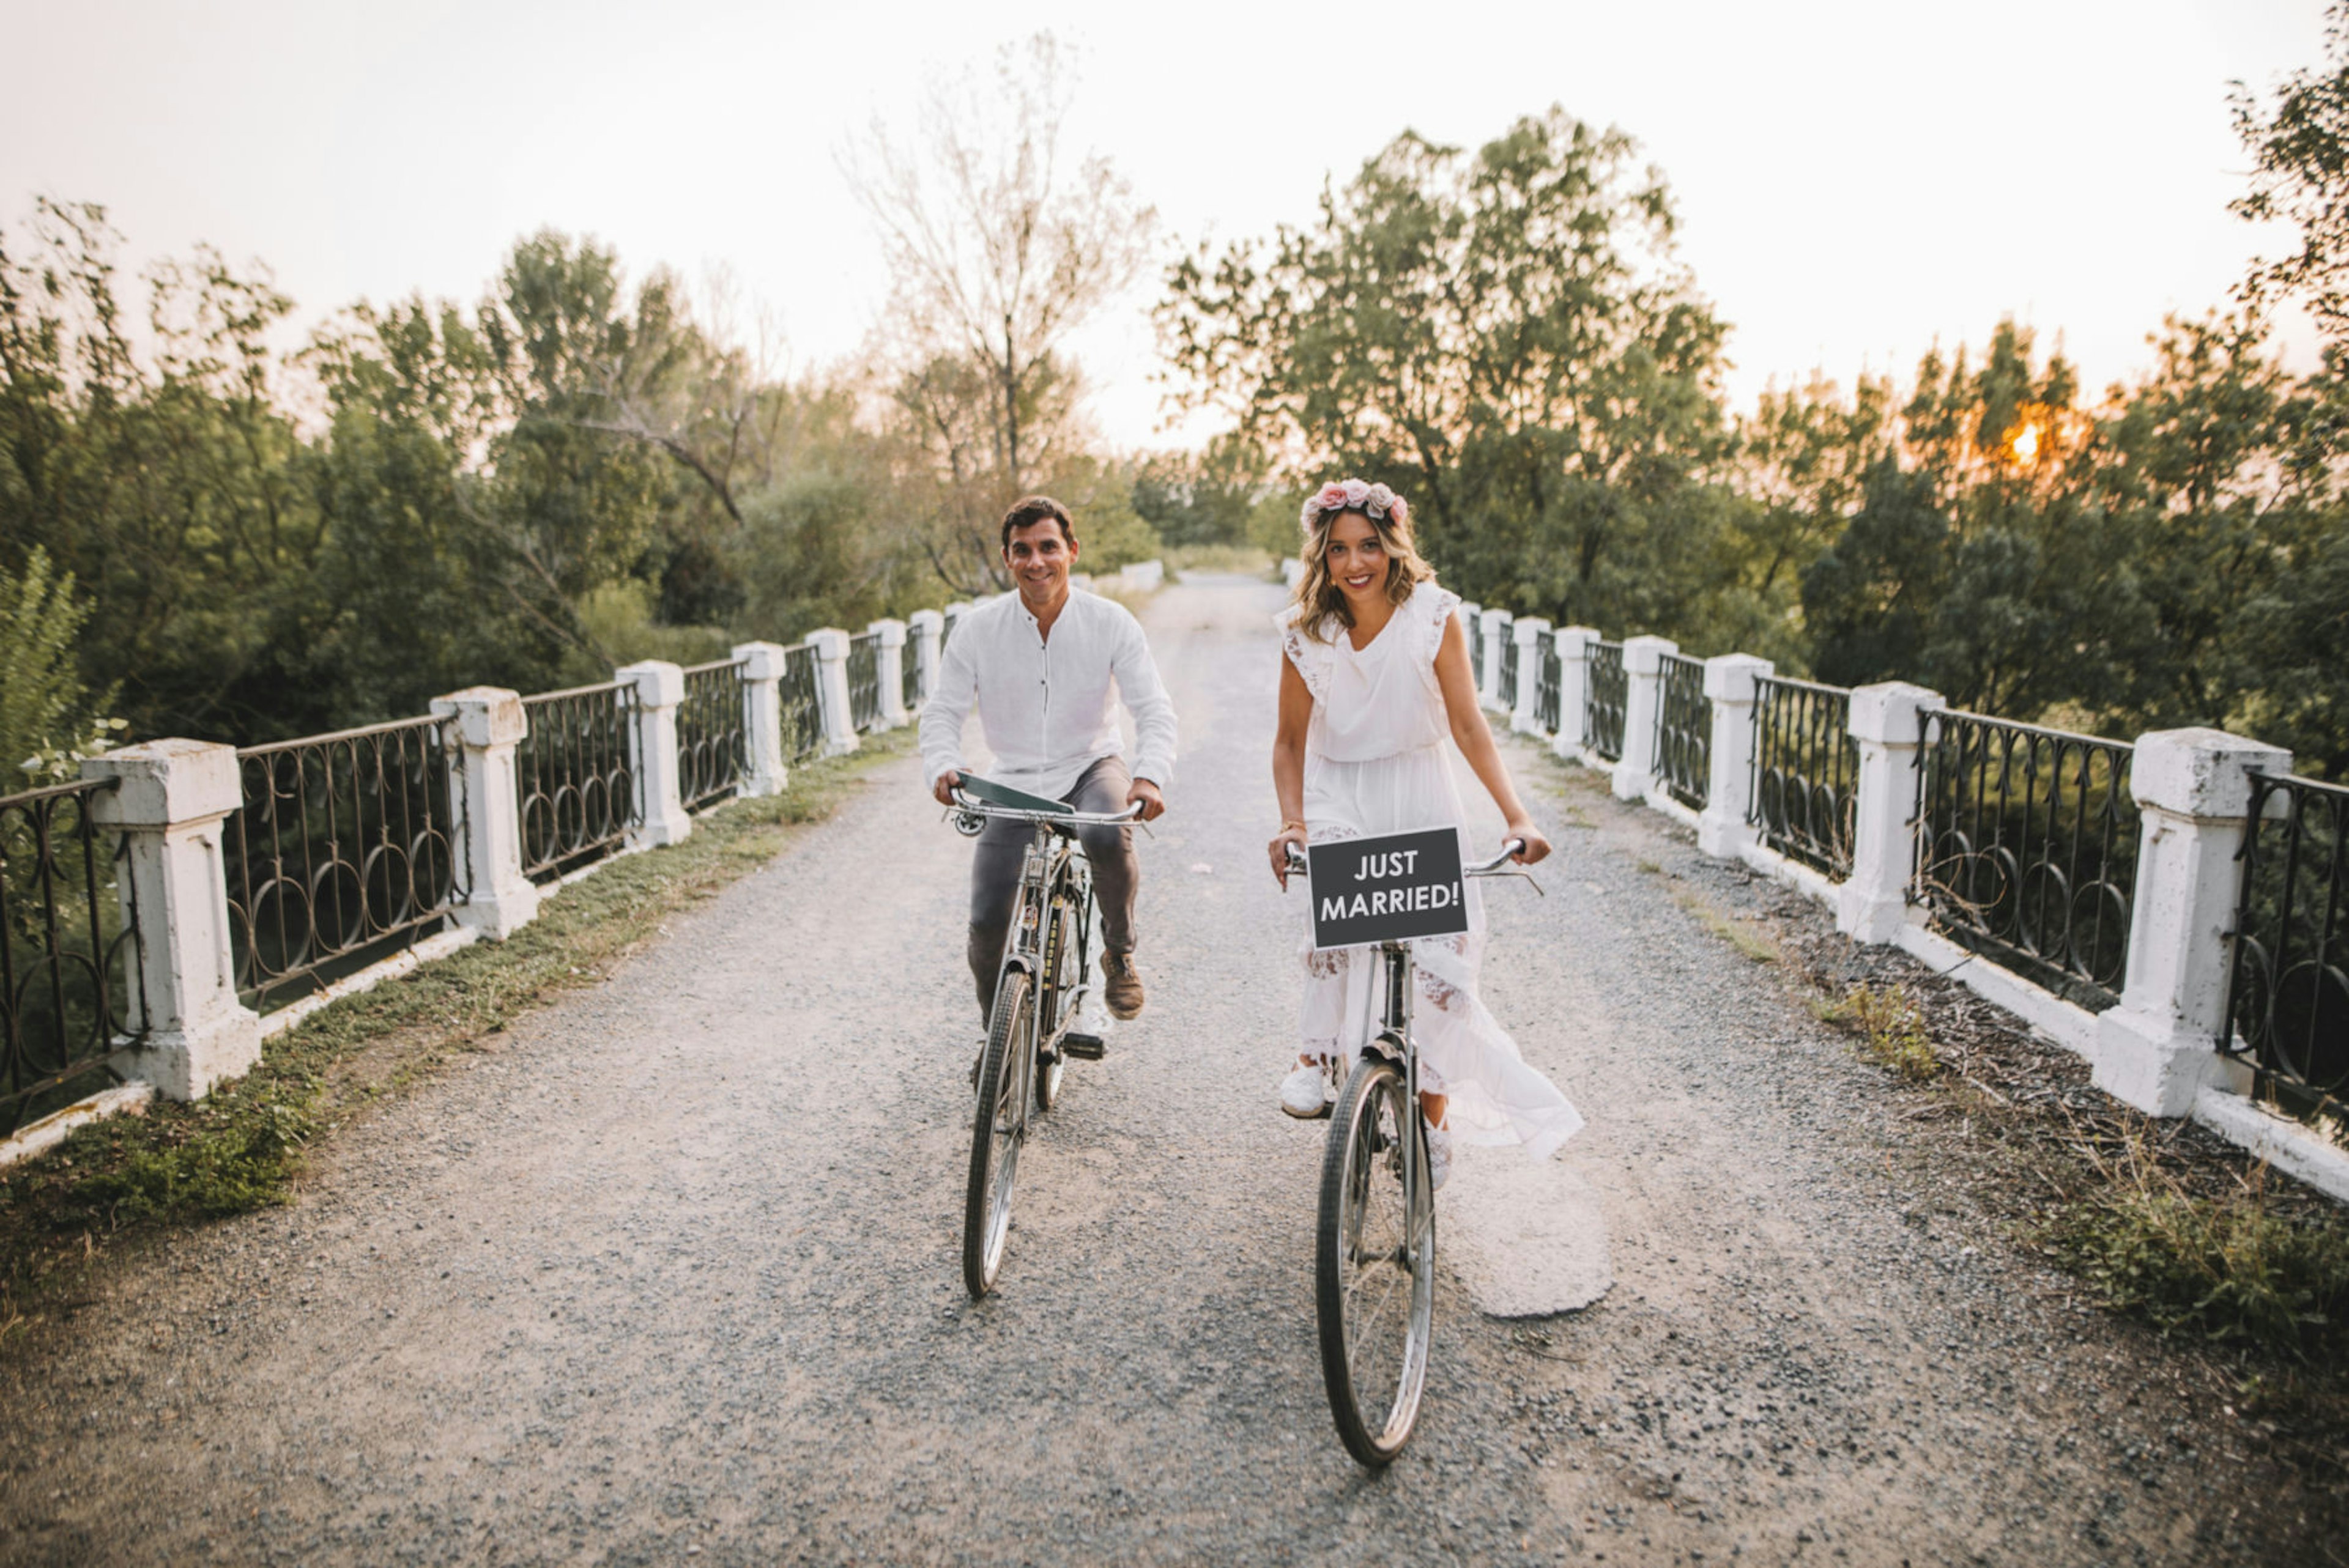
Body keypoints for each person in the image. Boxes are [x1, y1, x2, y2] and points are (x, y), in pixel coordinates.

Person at [1266, 478, 1582, 1188]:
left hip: (1420, 790)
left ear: (1392, 546)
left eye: (1369, 546)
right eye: (1339, 548)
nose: (1356, 563)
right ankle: (1316, 1055)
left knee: (1443, 966)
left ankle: (1431, 1114)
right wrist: (1291, 822)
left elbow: (1469, 724)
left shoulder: (1434, 616)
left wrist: (1516, 814)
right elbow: (1288, 742)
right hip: (1337, 787)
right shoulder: (1302, 632)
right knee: (1340, 909)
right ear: (1321, 554)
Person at [924, 495, 1175, 1030]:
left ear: (1072, 551)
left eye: (1048, 547)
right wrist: (943, 764)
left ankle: (1119, 951)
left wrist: (1149, 776)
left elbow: (1152, 708)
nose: (1036, 562)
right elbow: (942, 712)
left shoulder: (1111, 622)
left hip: (1090, 764)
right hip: (1011, 780)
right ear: (1007, 558)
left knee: (1108, 837)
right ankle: (999, 1044)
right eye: (1022, 551)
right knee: (988, 923)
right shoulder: (977, 629)